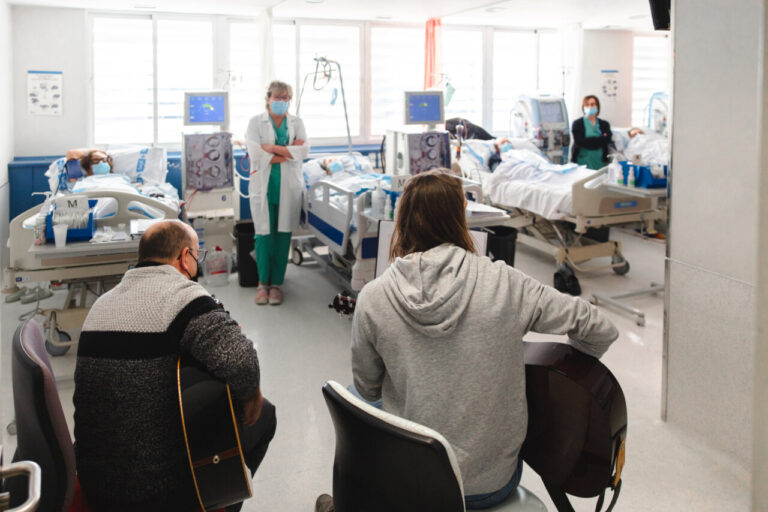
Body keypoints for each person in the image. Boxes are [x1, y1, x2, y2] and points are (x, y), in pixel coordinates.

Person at [331, 170, 618, 511]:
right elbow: (601, 329)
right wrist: (563, 377)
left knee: (352, 399)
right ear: (459, 220)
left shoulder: (374, 297)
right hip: (490, 483)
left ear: (401, 221)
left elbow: (367, 389)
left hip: (413, 480)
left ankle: (349, 503)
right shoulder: (505, 283)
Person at [74, 220, 276, 511]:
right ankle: (216, 501)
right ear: (185, 258)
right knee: (265, 415)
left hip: (95, 484)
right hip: (159, 492)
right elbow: (242, 364)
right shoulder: (184, 297)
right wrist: (253, 395)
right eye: (197, 256)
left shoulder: (100, 305)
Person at [245, 80, 309, 305]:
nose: (281, 101)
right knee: (263, 235)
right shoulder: (256, 122)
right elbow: (254, 153)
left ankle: (276, 285)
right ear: (268, 98)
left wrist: (271, 149)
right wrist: (288, 152)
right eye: (277, 97)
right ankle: (262, 283)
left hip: (288, 187)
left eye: (285, 98)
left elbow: (303, 151)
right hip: (263, 186)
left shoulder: (296, 122)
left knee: (283, 236)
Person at [570, 95, 614, 170]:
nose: (590, 107)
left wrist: (589, 141)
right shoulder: (578, 123)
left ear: (597, 106)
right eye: (587, 104)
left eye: (593, 104)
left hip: (600, 162)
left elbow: (608, 139)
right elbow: (580, 141)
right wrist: (601, 139)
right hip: (582, 162)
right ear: (583, 107)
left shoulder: (604, 124)